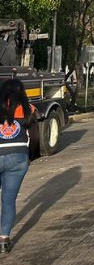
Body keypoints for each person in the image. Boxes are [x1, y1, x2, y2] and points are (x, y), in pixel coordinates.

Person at [0, 78, 36, 253]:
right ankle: (4, 240)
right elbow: (34, 132)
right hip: (19, 158)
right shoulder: (28, 109)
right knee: (8, 200)